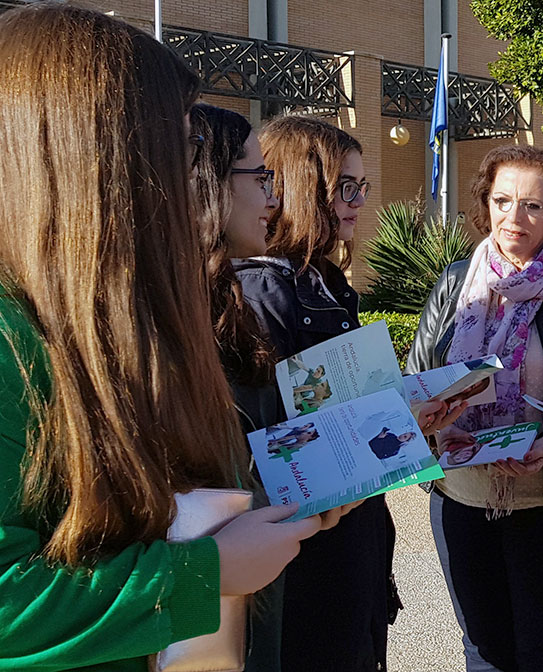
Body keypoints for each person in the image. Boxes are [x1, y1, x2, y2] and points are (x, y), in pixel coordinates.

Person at [0, 5, 322, 669]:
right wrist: (201, 574)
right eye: (174, 147)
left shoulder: (111, 318)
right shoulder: (13, 340)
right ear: (88, 155)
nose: (187, 175)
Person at [405, 145, 543, 671]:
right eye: (502, 201)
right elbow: (416, 380)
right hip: (460, 492)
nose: (514, 218)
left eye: (533, 206)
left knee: (541, 646)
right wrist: (435, 426)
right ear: (485, 204)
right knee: (482, 648)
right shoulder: (456, 284)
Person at [235, 114, 394, 672]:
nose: (357, 201)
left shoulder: (327, 281)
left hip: (352, 527)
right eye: (344, 187)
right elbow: (271, 438)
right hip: (307, 543)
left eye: (362, 187)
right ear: (305, 189)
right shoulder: (262, 289)